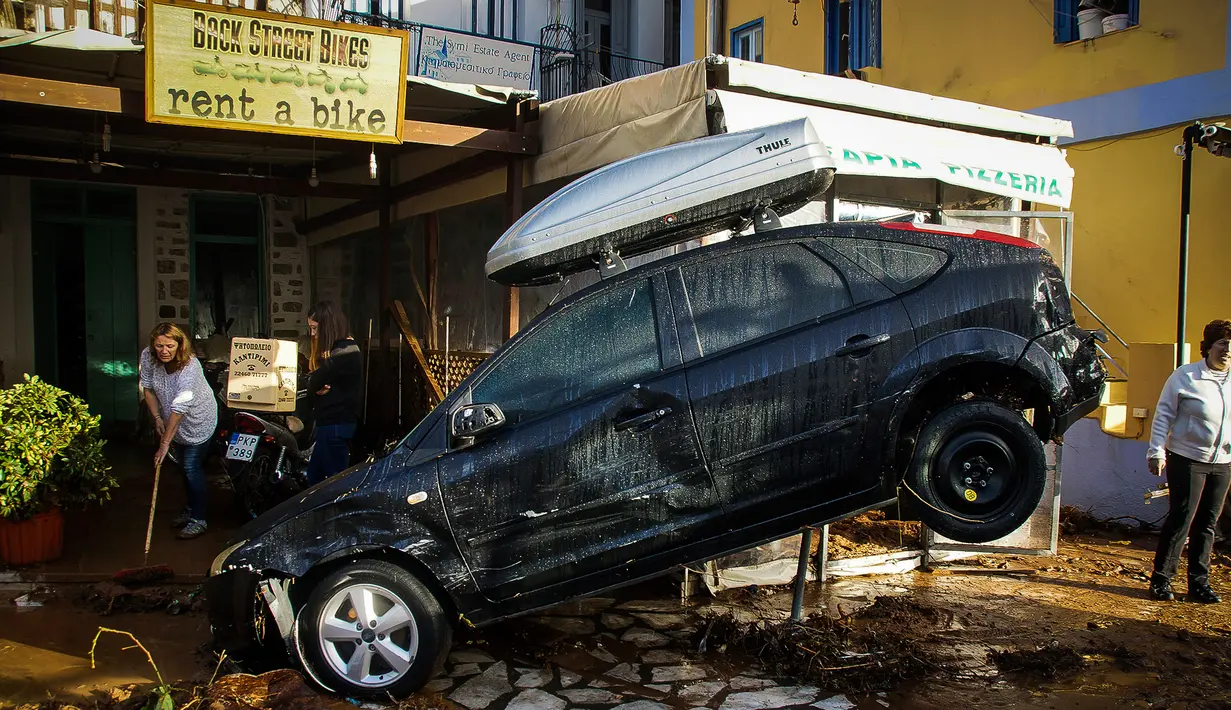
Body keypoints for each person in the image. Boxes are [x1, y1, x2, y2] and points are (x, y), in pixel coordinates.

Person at [1146, 319, 1231, 603]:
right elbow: (1164, 415)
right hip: (1187, 458)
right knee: (1182, 518)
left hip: (1223, 462)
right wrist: (1156, 451)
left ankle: (1199, 583)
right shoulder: (1186, 376)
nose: (1227, 350)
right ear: (1208, 347)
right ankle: (1162, 579)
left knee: (1209, 523)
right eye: (1222, 343)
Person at [140, 322, 219, 540]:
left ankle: (199, 518)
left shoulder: (190, 366)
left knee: (191, 466)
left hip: (198, 419)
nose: (164, 351)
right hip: (172, 418)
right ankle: (191, 508)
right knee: (183, 467)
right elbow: (147, 388)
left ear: (179, 345)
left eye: (169, 346)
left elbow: (180, 407)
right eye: (159, 346)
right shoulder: (148, 356)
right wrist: (157, 417)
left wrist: (164, 444)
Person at [305, 301, 362, 485]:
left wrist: (316, 383)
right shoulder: (338, 350)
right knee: (314, 479)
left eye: (315, 328)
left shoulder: (344, 351)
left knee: (333, 484)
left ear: (328, 326)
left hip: (335, 424)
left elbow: (314, 380)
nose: (313, 334)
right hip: (329, 424)